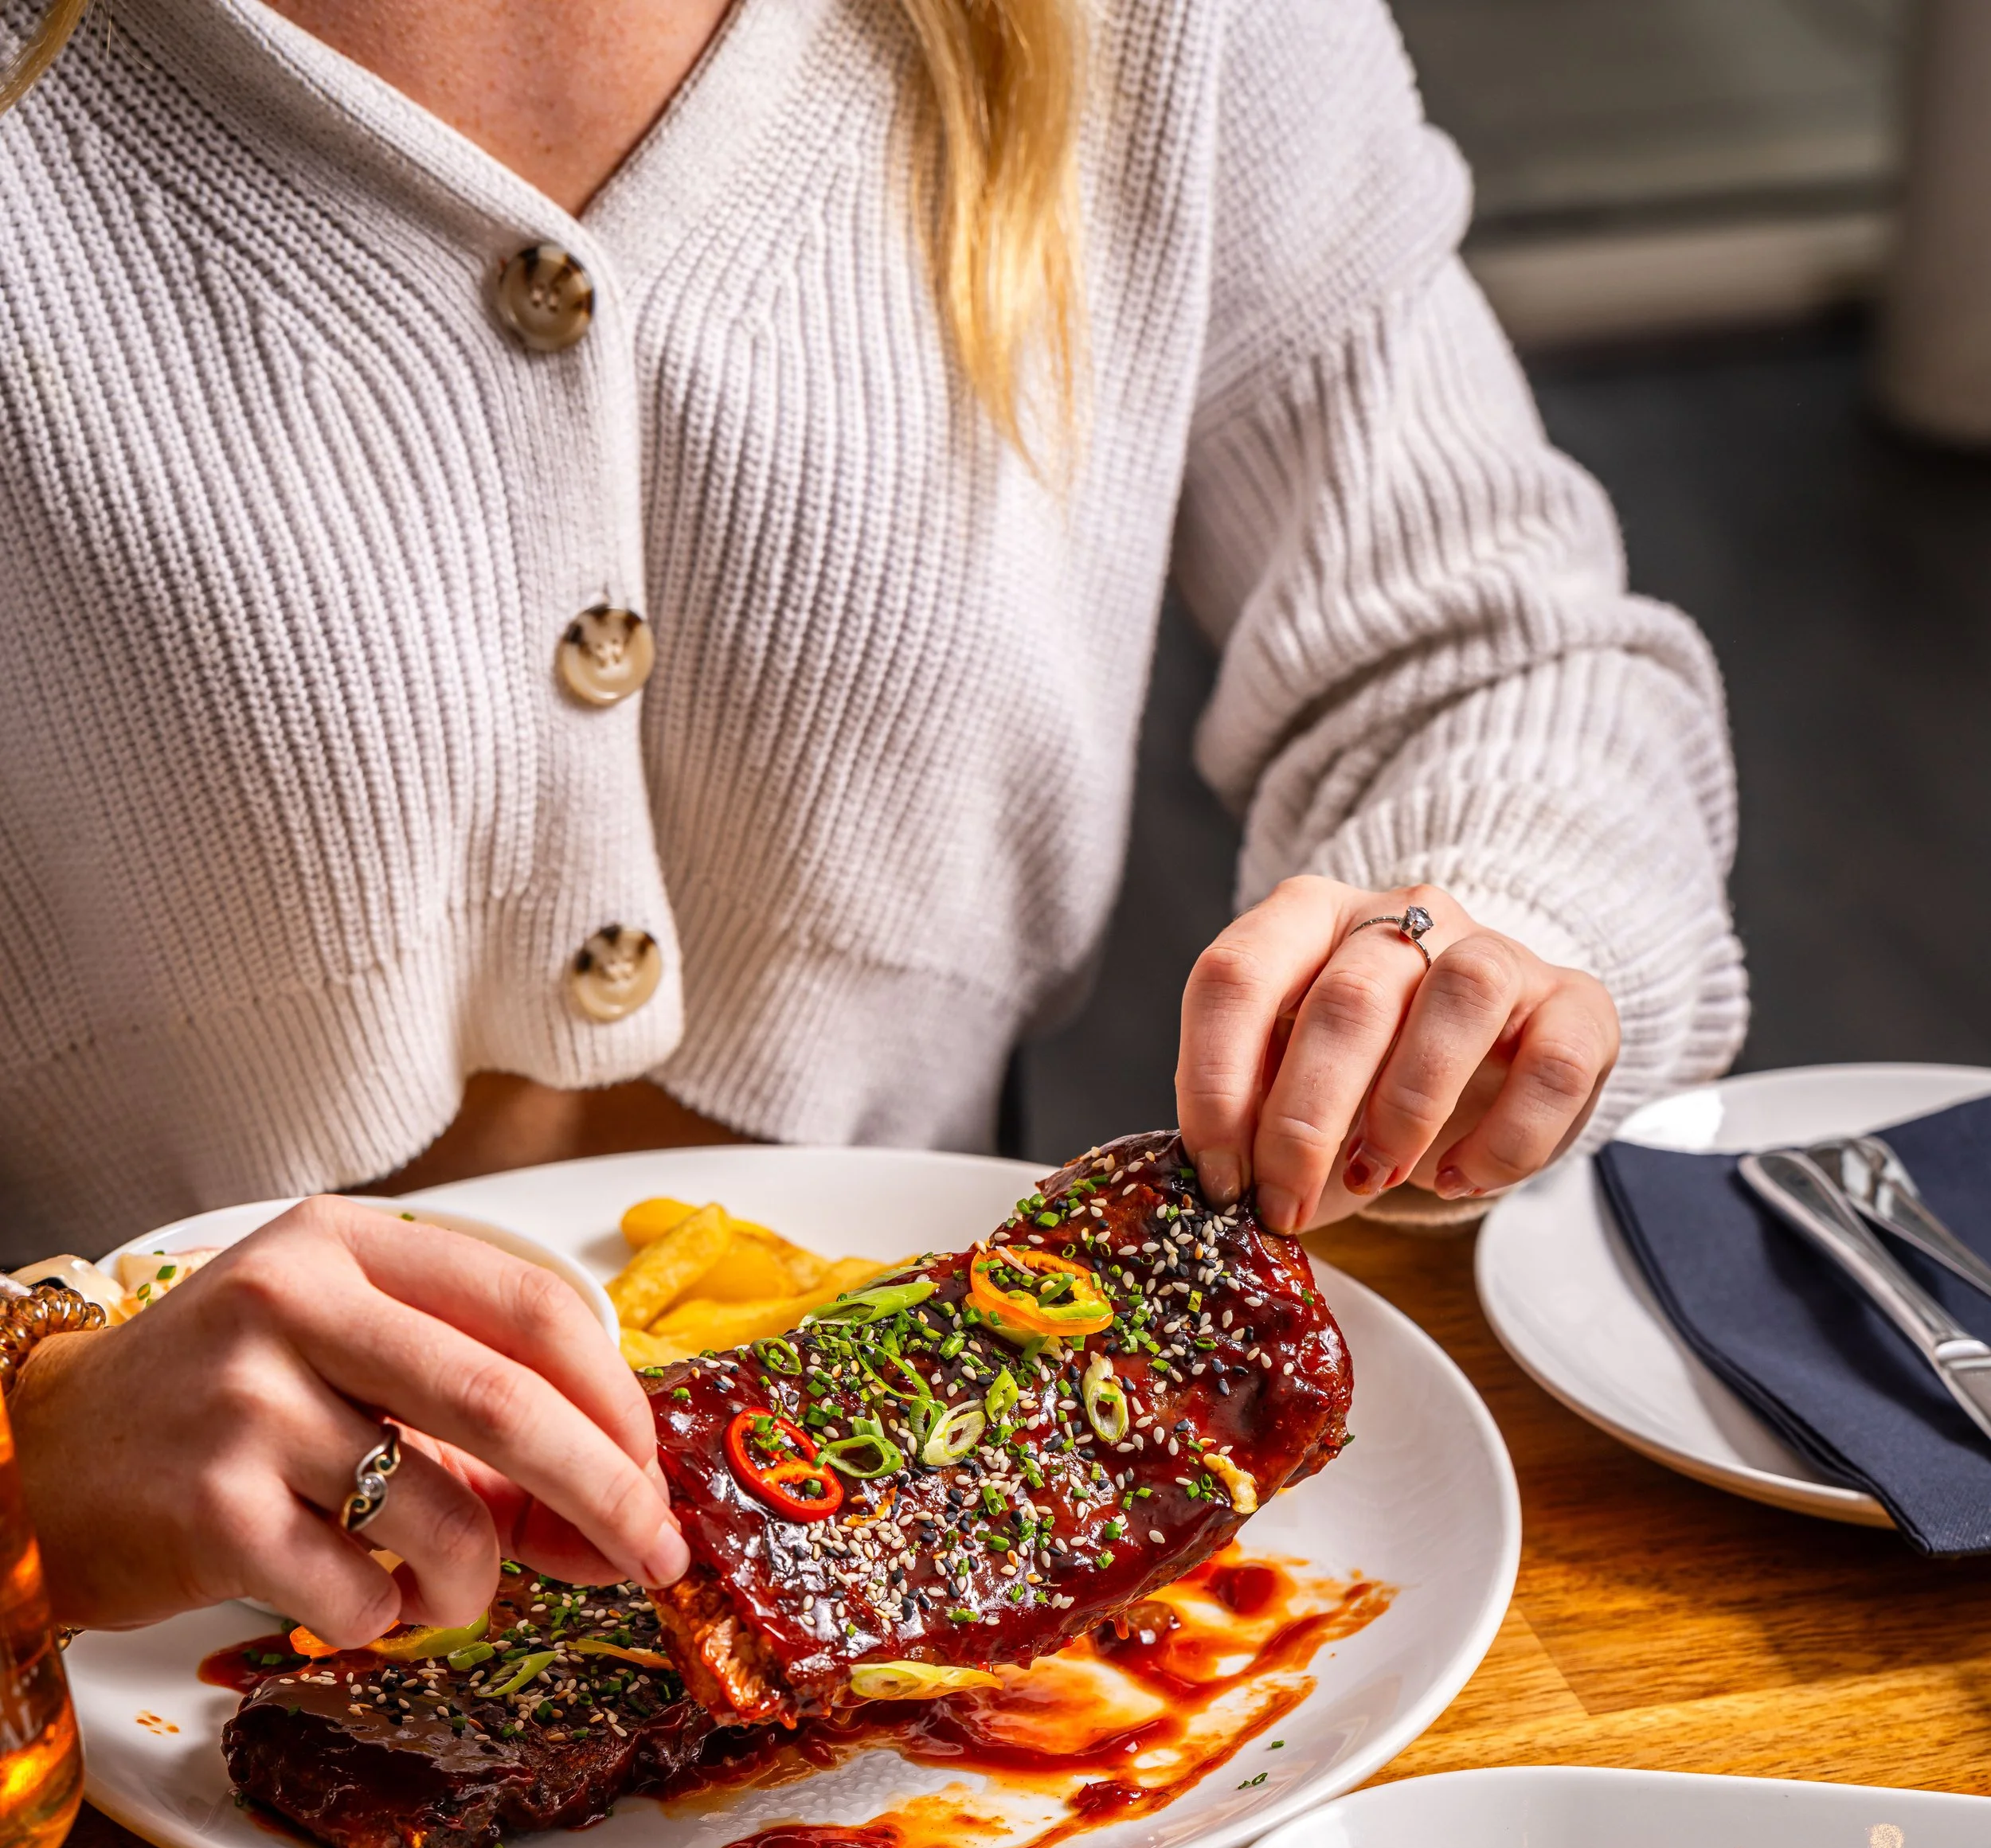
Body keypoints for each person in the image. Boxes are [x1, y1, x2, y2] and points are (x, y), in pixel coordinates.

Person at [0, 0, 1744, 1644]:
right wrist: (31, 1448)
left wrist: (1478, 945)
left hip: (1008, 1600)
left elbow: (1489, 656)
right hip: (99, 1693)